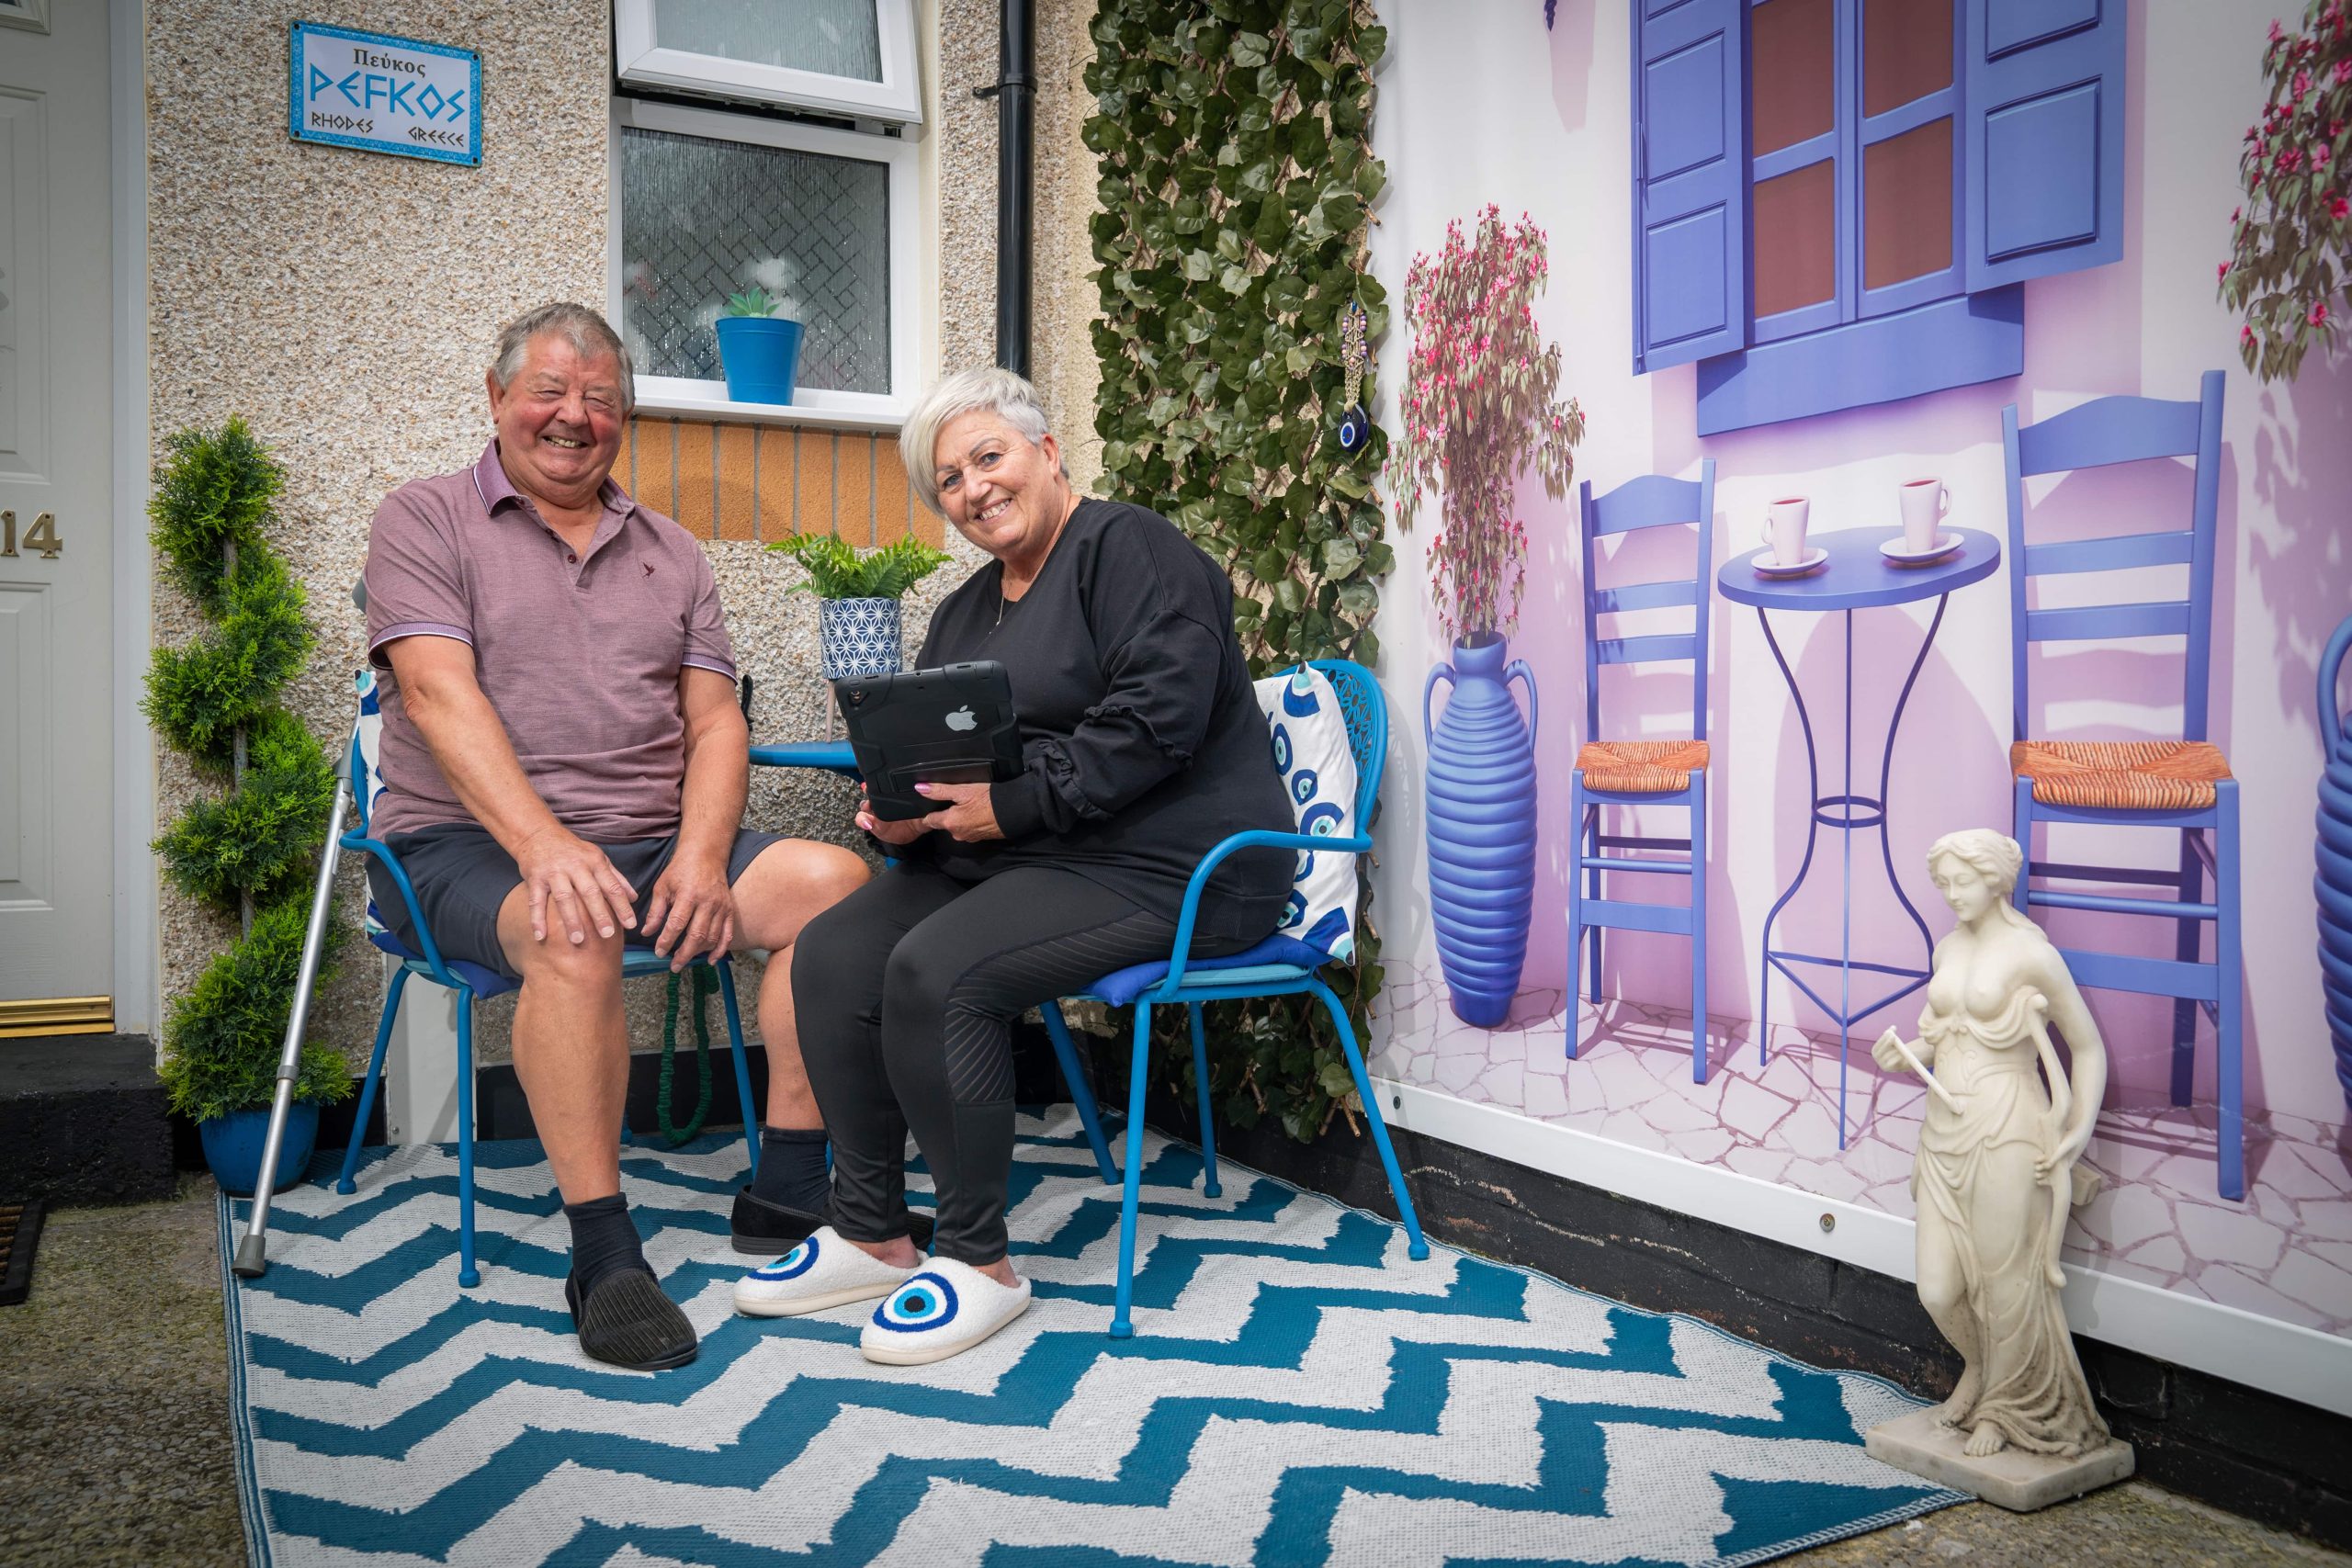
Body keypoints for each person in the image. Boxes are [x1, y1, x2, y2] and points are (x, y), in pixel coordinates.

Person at [731, 367, 1295, 1365]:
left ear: (1045, 451)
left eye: (988, 457)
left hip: (1173, 866)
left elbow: (1154, 725)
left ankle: (977, 1258)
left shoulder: (1133, 551)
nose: (973, 488)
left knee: (939, 972)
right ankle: (871, 1227)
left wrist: (1007, 807)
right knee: (831, 952)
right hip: (1033, 858)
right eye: (947, 479)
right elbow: (960, 769)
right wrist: (906, 820)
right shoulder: (964, 610)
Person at [362, 301, 869, 1371]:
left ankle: (785, 1185)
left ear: (624, 421)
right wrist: (545, 845)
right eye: (548, 391)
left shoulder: (673, 552)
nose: (572, 417)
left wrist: (697, 853)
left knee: (836, 882)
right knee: (575, 920)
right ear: (496, 400)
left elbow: (716, 719)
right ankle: (603, 1249)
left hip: (646, 840)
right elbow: (433, 691)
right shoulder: (424, 520)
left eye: (600, 399)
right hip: (468, 845)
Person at [1872, 829, 2113, 1461]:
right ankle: (1977, 1369)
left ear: (1996, 878)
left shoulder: (2032, 954)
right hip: (1943, 1130)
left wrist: (2075, 1131)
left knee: (2009, 1282)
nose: (1952, 894)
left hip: (2008, 1125)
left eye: (1962, 880)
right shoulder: (1948, 948)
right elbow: (1941, 1037)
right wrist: (1903, 1053)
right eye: (1944, 883)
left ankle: (2005, 1411)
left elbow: (2086, 1046)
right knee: (1938, 1287)